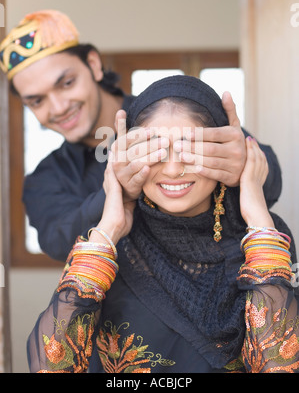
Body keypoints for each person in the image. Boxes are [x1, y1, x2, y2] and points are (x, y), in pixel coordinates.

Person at [27, 75, 299, 373]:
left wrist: (257, 213)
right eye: (153, 152)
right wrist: (108, 227)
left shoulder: (265, 239)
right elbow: (51, 368)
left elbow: (280, 365)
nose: (172, 169)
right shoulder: (106, 247)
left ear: (221, 151)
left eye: (191, 148)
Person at [0, 10, 282, 262]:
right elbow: (59, 244)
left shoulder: (171, 111)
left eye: (67, 83)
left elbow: (272, 183)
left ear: (94, 64)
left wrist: (244, 163)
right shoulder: (45, 179)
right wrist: (116, 192)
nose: (59, 107)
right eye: (37, 101)